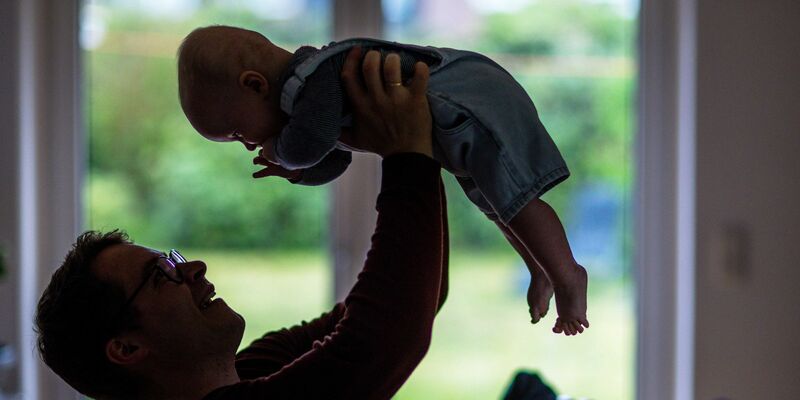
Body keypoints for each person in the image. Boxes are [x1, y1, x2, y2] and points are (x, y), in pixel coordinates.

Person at [35, 49, 449, 399]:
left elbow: (414, 299)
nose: (194, 268)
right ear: (126, 348)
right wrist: (407, 155)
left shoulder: (252, 368)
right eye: (162, 275)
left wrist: (415, 145)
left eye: (173, 259)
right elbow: (381, 339)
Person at [177, 25, 589, 335]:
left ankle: (568, 275)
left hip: (470, 99)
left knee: (517, 198)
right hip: (457, 119)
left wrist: (283, 152)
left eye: (236, 133)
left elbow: (312, 141)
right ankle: (540, 267)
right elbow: (335, 157)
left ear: (255, 84)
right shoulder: (313, 99)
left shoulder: (314, 78)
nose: (247, 144)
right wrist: (301, 171)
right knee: (499, 204)